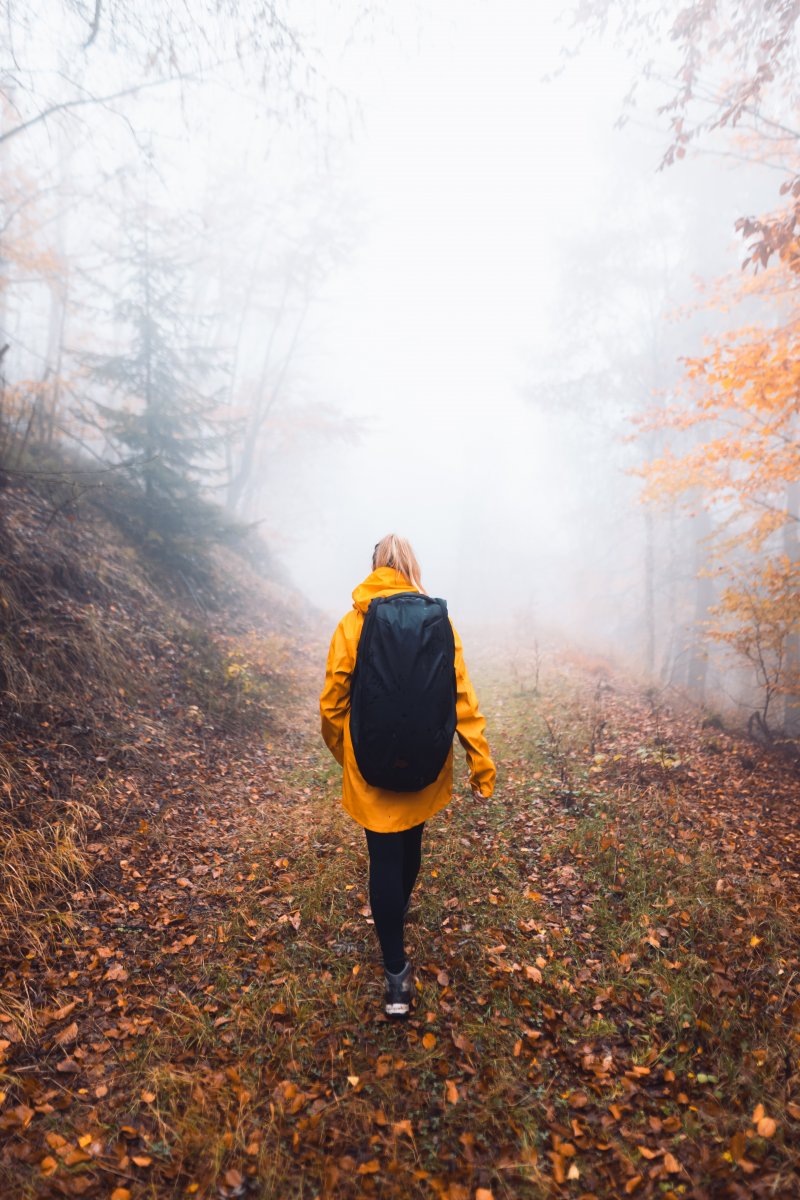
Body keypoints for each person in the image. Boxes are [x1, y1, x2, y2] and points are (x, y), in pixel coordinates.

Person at [319, 534, 496, 1018]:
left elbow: (333, 701)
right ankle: (394, 919)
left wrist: (346, 756)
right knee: (410, 848)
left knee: (383, 858)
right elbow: (462, 697)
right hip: (425, 764)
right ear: (411, 567)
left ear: (375, 566)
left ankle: (395, 974)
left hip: (372, 767)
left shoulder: (354, 622)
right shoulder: (439, 624)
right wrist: (480, 762)